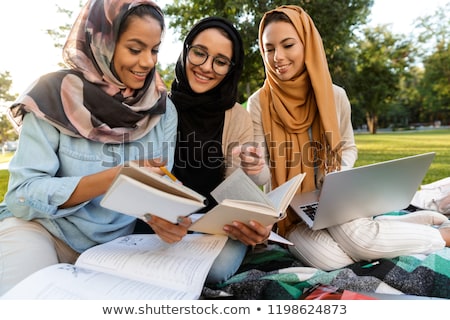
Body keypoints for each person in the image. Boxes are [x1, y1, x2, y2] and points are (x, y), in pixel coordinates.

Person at [247, 5, 450, 271]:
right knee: (333, 260)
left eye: (287, 45)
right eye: (269, 48)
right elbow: (261, 179)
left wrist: (336, 178)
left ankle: (443, 236)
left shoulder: (335, 96)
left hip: (334, 199)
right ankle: (392, 228)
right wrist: (255, 166)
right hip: (291, 217)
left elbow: (348, 148)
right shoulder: (258, 103)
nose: (277, 57)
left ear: (307, 45)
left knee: (361, 242)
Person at [0, 0, 178, 295]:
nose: (147, 62)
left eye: (154, 49)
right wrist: (113, 178)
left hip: (115, 248)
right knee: (26, 298)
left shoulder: (163, 109)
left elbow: (157, 191)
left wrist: (164, 218)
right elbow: (21, 194)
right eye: (135, 49)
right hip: (45, 232)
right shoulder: (51, 96)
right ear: (102, 42)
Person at [150, 16, 271, 284]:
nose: (206, 67)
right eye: (199, 53)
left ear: (231, 68)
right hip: (160, 222)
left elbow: (236, 191)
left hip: (215, 226)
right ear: (186, 50)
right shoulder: (156, 107)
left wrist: (252, 173)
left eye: (220, 61)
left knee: (215, 270)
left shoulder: (237, 117)